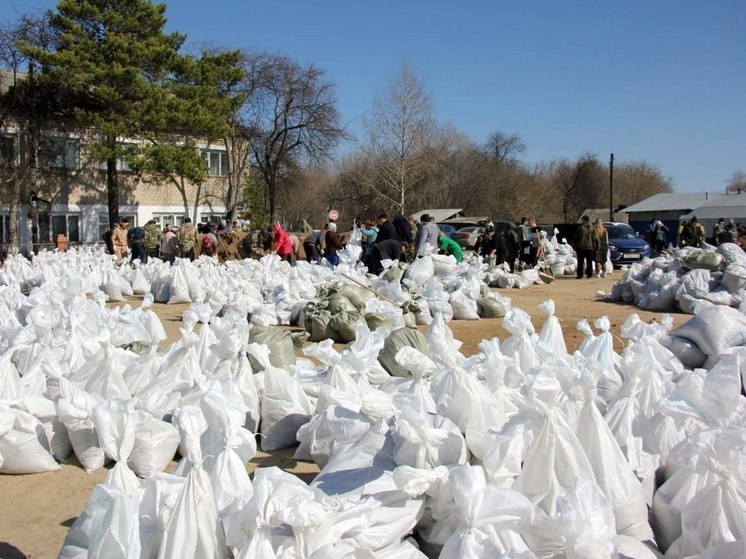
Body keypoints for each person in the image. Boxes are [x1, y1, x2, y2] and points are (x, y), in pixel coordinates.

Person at [572, 215, 599, 279]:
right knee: (589, 262)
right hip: (591, 247)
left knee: (580, 262)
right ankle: (589, 275)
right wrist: (597, 247)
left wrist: (574, 245)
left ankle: (580, 275)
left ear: (583, 220)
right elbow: (596, 238)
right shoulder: (593, 228)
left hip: (581, 247)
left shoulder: (580, 227)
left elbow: (575, 237)